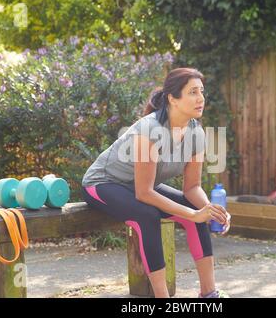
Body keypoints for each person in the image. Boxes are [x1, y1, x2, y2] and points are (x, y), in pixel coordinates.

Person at [82, 67, 231, 298]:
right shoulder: (149, 129)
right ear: (173, 98)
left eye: (201, 91)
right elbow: (144, 193)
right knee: (147, 215)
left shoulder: (196, 133)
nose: (200, 98)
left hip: (138, 186)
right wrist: (192, 215)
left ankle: (209, 294)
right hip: (103, 183)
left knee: (198, 210)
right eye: (192, 92)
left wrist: (211, 210)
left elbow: (192, 187)